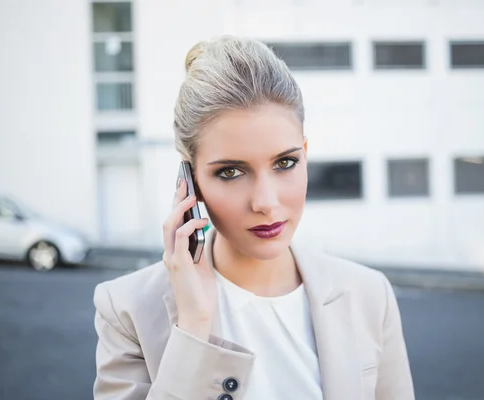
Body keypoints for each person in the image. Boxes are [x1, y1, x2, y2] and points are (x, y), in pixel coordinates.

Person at [92, 35, 415, 400]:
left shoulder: (369, 295)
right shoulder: (127, 310)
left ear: (305, 155)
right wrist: (194, 327)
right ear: (190, 180)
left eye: (285, 163)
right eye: (231, 172)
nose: (265, 202)